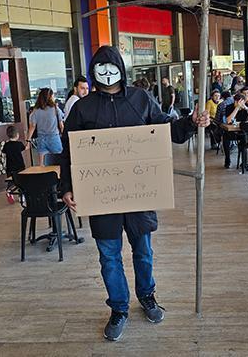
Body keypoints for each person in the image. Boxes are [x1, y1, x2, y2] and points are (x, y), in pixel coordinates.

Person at [60, 45, 208, 342]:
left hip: (139, 195)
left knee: (144, 252)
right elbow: (68, 152)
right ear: (93, 71)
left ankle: (147, 296)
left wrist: (191, 123)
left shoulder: (140, 99)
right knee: (109, 257)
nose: (106, 72)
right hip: (102, 197)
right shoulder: (82, 108)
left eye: (110, 65)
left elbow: (166, 129)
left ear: (120, 68)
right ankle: (118, 308)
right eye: (99, 67)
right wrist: (66, 187)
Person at [26, 87, 64, 165]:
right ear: (50, 96)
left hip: (41, 139)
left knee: (42, 165)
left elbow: (32, 127)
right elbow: (61, 126)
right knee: (59, 163)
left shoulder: (35, 111)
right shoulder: (56, 109)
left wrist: (28, 141)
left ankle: (43, 177)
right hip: (54, 138)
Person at [223, 92, 248, 171]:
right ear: (235, 101)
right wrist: (237, 108)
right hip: (232, 132)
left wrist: (247, 109)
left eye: (243, 102)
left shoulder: (247, 106)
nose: (242, 104)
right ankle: (227, 159)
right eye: (239, 102)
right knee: (225, 137)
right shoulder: (229, 107)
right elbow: (228, 121)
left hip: (244, 131)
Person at [2, 125, 27, 203]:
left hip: (10, 167)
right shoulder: (19, 144)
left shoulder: (6, 145)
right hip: (20, 167)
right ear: (17, 135)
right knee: (21, 182)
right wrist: (28, 144)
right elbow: (25, 148)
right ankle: (21, 197)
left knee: (11, 181)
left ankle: (9, 191)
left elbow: (3, 151)